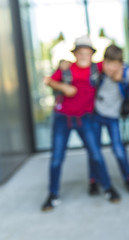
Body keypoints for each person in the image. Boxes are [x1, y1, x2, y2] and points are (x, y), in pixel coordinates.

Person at [42, 35, 120, 211]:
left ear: (92, 54)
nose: (84, 56)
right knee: (56, 159)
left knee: (96, 154)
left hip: (85, 118)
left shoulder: (97, 67)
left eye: (87, 52)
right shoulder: (66, 69)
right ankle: (53, 194)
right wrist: (64, 87)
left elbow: (116, 64)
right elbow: (48, 80)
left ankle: (108, 188)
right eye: (80, 52)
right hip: (62, 119)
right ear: (75, 54)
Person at [88, 44, 129, 194]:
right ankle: (93, 180)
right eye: (108, 63)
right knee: (94, 151)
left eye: (115, 64)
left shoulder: (126, 74)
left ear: (121, 64)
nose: (111, 68)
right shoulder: (97, 73)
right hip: (96, 115)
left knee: (118, 150)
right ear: (103, 62)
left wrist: (122, 75)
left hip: (113, 118)